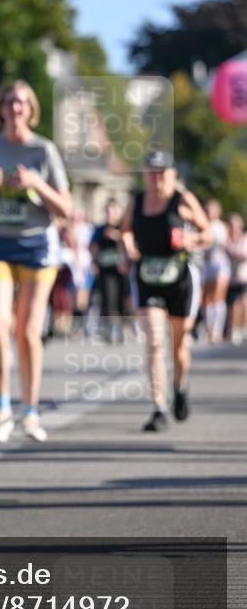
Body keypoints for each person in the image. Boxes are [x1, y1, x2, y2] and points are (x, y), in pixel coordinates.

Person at [0, 80, 72, 443]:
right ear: (0, 108)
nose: (15, 108)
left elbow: (66, 209)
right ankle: (1, 407)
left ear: (31, 109)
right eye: (9, 101)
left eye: (22, 102)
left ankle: (29, 411)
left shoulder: (43, 151)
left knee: (28, 332)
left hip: (36, 245)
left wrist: (36, 184)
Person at [121, 150, 211, 432]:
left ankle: (180, 386)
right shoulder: (136, 202)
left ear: (173, 174)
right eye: (151, 172)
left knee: (178, 345)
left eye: (162, 172)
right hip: (147, 276)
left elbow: (207, 233)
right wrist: (126, 245)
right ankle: (159, 406)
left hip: (180, 278)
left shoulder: (182, 199)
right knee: (155, 340)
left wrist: (191, 238)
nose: (156, 177)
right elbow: (124, 229)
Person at [90, 198, 130, 342]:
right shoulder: (100, 229)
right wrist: (94, 263)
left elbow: (129, 246)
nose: (110, 213)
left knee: (122, 302)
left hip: (120, 270)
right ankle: (112, 330)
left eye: (113, 210)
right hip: (105, 270)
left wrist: (118, 237)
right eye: (108, 210)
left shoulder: (122, 227)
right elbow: (93, 247)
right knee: (108, 300)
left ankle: (121, 329)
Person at [201, 199, 231, 343]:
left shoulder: (220, 227)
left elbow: (224, 244)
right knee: (206, 299)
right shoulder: (202, 225)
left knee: (218, 297)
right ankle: (208, 329)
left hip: (218, 263)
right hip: (206, 264)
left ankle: (217, 329)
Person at [226, 213, 247, 345]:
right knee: (233, 305)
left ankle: (243, 328)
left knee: (244, 304)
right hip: (230, 278)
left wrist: (234, 254)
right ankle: (234, 329)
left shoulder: (245, 239)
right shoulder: (227, 239)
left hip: (244, 276)